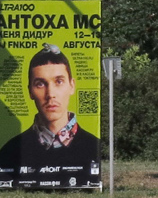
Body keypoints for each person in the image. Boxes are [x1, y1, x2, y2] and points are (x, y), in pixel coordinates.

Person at [0, 44, 101, 183]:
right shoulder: (10, 151)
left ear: (72, 86)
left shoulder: (95, 147)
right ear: (30, 91)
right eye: (40, 84)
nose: (50, 94)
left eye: (59, 81)